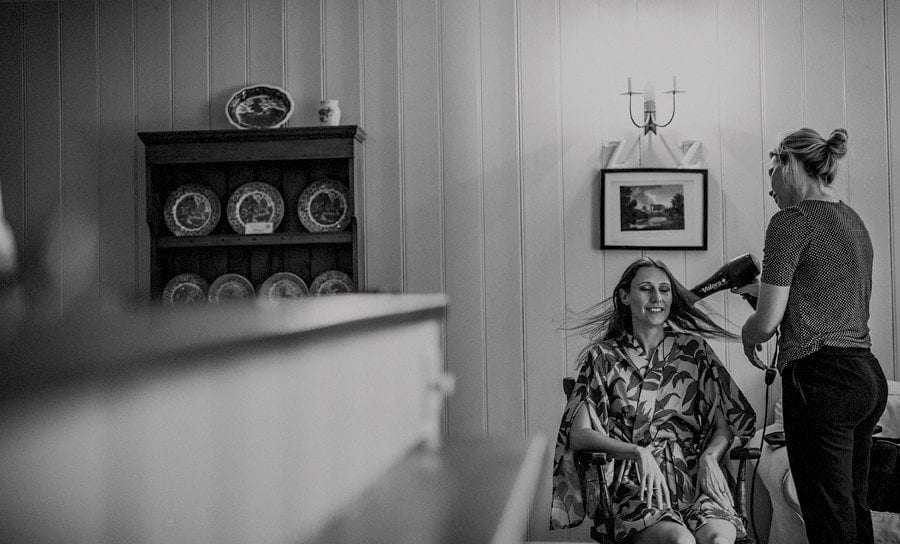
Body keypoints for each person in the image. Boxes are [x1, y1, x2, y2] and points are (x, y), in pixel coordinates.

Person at [738, 128, 889, 544]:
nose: (771, 192)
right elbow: (824, 295)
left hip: (821, 380)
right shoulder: (853, 220)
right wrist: (763, 295)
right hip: (864, 376)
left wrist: (748, 334)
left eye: (771, 175)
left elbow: (766, 324)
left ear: (786, 164)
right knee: (852, 509)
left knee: (828, 522)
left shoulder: (791, 222)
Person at [550, 258, 756, 544]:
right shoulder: (603, 357)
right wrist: (638, 452)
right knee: (680, 541)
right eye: (646, 289)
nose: (657, 297)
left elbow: (727, 422)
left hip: (694, 475)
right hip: (637, 483)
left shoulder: (693, 349)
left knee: (719, 539)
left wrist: (711, 456)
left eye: (665, 290)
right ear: (625, 296)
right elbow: (580, 434)